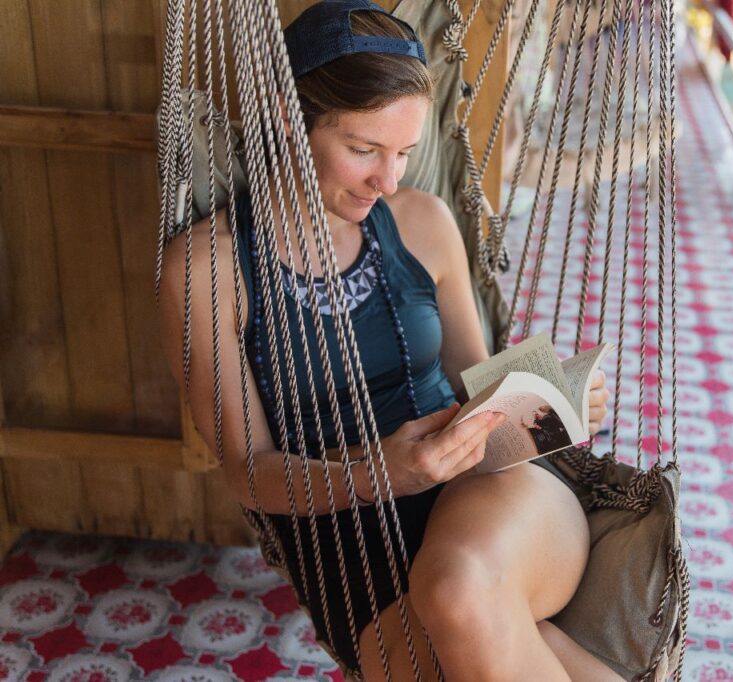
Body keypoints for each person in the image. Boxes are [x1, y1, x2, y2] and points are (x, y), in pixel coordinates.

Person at [158, 2, 616, 680]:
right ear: (289, 116)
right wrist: (385, 471)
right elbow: (247, 471)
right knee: (468, 639)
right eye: (364, 150)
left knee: (458, 590)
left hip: (494, 505)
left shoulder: (423, 223)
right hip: (350, 551)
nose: (390, 179)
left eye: (403, 153)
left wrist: (552, 399)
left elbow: (478, 386)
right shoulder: (208, 271)